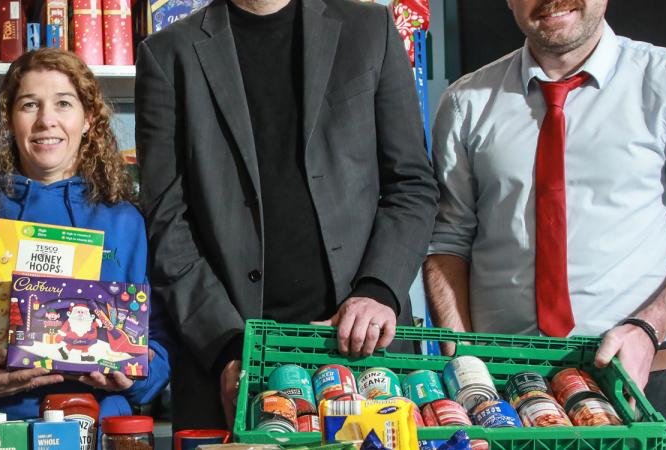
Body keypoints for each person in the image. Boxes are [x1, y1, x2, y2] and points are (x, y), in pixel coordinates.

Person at [426, 1, 666, 448]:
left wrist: (648, 327)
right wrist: (464, 363)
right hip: (503, 400)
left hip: (636, 391)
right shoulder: (465, 102)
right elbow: (447, 242)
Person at [135, 0, 439, 430]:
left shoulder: (370, 29)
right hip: (234, 365)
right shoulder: (168, 53)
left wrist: (378, 289)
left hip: (366, 355)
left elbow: (412, 183)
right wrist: (227, 347)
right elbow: (166, 221)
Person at [0, 48, 171, 421]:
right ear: (9, 119)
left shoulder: (126, 222)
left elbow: (160, 336)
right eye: (29, 105)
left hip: (101, 426)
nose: (46, 120)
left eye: (63, 104)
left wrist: (136, 378)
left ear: (89, 118)